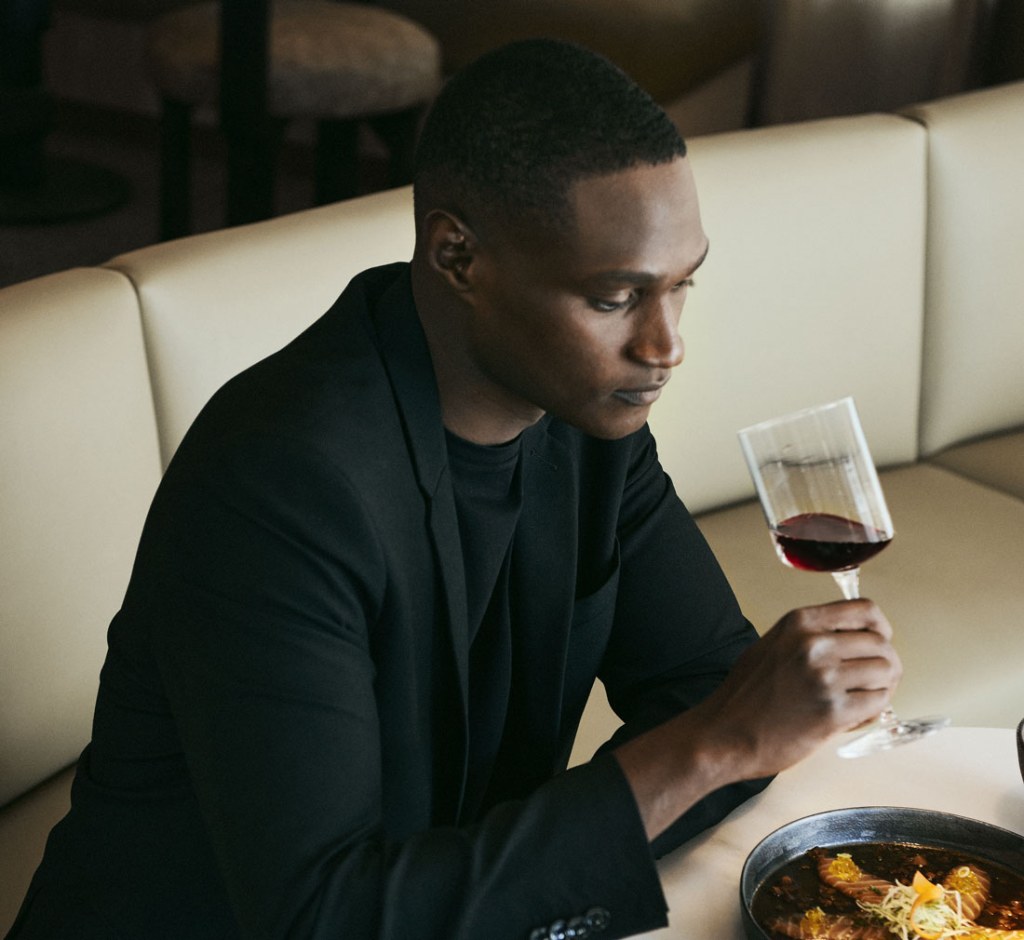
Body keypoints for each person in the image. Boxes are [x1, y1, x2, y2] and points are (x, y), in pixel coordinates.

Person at [8, 38, 901, 940]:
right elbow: (324, 917)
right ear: (458, 256)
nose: (665, 345)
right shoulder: (280, 488)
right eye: (615, 297)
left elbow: (713, 686)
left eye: (681, 286)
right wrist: (714, 746)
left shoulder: (591, 429)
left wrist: (714, 742)